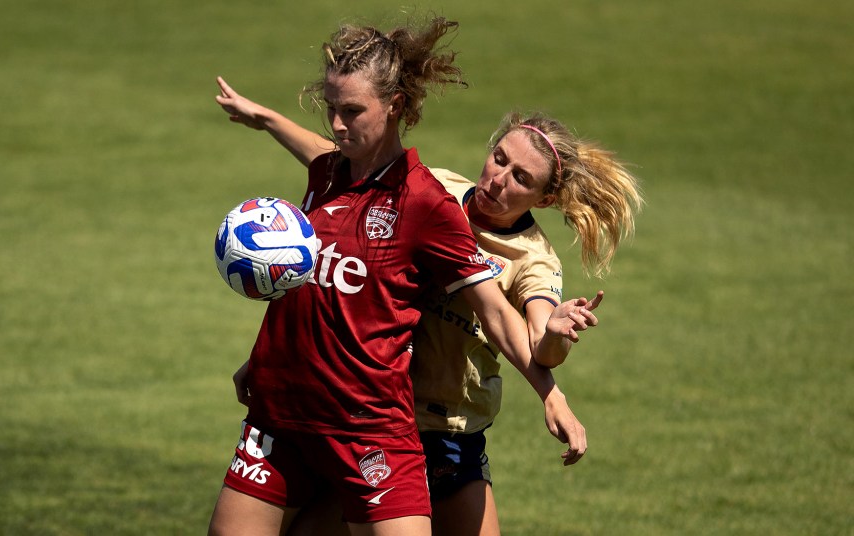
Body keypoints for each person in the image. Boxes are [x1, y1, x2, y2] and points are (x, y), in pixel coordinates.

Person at [206, 17, 602, 536]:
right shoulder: (330, 173)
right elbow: (318, 286)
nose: (337, 124)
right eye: (331, 108)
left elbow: (499, 315)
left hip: (387, 425)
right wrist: (264, 361)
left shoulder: (429, 204)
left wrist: (552, 394)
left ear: (393, 106)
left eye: (351, 111)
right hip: (283, 413)